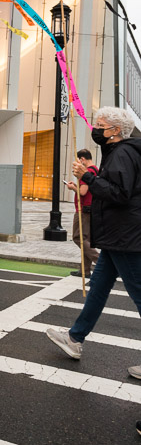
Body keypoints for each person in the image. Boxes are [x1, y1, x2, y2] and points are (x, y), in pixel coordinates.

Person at [45, 108, 141, 389]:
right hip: (118, 235)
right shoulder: (123, 152)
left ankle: (75, 337)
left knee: (138, 295)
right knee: (98, 287)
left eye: (101, 125)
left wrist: (87, 177)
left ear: (115, 131)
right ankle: (75, 338)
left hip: (125, 235)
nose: (95, 128)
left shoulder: (123, 153)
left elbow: (120, 194)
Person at [65, 148, 99, 278]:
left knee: (78, 237)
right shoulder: (95, 170)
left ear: (82, 159)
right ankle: (84, 270)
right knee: (85, 239)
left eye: (79, 161)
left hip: (83, 209)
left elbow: (83, 192)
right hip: (91, 208)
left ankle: (99, 261)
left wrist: (72, 187)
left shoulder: (86, 173)